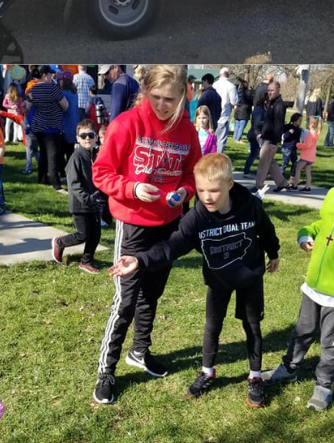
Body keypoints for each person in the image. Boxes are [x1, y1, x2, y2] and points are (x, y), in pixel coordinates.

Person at [108, 153, 279, 408]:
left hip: (249, 275)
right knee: (212, 326)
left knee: (252, 325)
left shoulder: (250, 204)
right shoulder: (197, 217)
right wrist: (139, 260)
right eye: (201, 190)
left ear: (229, 184)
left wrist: (273, 252)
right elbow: (171, 246)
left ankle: (255, 377)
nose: (207, 197)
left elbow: (265, 229)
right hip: (218, 278)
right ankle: (207, 371)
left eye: (214, 190)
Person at [92, 64, 201, 405]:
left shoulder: (187, 132)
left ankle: (140, 352)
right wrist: (133, 188)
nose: (162, 106)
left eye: (171, 99)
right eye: (156, 97)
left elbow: (191, 175)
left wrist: (183, 192)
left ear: (184, 96)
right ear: (145, 92)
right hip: (133, 224)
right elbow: (101, 172)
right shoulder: (127, 123)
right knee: (125, 301)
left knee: (151, 294)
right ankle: (106, 372)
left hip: (168, 226)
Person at [264, 186, 334, 411]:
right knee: (303, 329)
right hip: (313, 286)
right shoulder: (332, 193)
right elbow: (321, 225)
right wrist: (305, 235)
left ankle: (323, 385)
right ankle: (289, 369)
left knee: (330, 343)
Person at [51, 119, 101, 273]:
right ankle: (60, 242)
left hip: (94, 202)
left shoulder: (97, 155)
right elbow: (74, 184)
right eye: (83, 135)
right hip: (80, 204)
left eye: (90, 135)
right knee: (83, 234)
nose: (87, 138)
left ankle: (87, 261)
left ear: (96, 137)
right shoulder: (76, 157)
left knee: (96, 234)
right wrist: (88, 198)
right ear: (78, 138)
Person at [25, 65, 69, 191]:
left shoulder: (33, 89)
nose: (52, 76)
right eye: (50, 74)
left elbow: (28, 105)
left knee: (43, 153)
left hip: (38, 127)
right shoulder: (53, 88)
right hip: (51, 127)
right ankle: (56, 184)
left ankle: (42, 178)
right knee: (53, 155)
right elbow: (65, 105)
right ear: (45, 75)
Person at [255, 80, 292, 196]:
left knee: (263, 162)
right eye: (269, 90)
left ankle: (259, 186)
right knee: (270, 162)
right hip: (267, 137)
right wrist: (262, 133)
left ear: (278, 90)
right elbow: (269, 122)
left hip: (271, 140)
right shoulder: (272, 103)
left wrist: (274, 141)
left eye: (272, 90)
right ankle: (283, 183)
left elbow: (278, 125)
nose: (269, 93)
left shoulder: (279, 105)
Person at [291, 116, 320, 191]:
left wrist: (298, 144)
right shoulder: (316, 133)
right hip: (311, 156)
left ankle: (295, 185)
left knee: (298, 169)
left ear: (311, 124)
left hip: (305, 156)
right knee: (308, 171)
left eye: (308, 122)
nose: (306, 124)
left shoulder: (310, 134)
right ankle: (307, 186)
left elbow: (307, 145)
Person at [213, 67, 238, 153]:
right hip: (223, 116)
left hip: (212, 115)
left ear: (220, 75)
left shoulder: (214, 85)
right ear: (228, 75)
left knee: (211, 139)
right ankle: (218, 160)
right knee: (221, 140)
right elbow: (234, 101)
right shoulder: (231, 86)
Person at [280, 113, 303, 181]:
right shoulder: (288, 127)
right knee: (285, 163)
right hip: (287, 148)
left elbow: (297, 139)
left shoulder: (298, 129)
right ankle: (281, 177)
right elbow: (284, 137)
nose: (301, 122)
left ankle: (292, 176)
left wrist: (299, 144)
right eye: (299, 120)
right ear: (295, 120)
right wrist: (289, 132)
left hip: (294, 149)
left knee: (295, 163)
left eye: (301, 120)